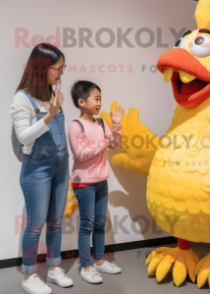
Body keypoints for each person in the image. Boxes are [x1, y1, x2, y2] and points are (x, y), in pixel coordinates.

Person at [10, 43, 73, 294]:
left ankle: (54, 267)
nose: (61, 73)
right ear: (41, 69)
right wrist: (50, 114)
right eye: (58, 68)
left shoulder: (52, 94)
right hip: (36, 168)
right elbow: (24, 137)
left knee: (56, 221)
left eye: (62, 68)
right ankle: (29, 275)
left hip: (60, 164)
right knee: (36, 224)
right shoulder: (22, 98)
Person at [68, 80, 123, 284]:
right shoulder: (76, 126)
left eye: (101, 99)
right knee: (87, 225)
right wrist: (103, 143)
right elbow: (80, 154)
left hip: (101, 182)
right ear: (81, 102)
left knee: (100, 224)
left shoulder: (101, 123)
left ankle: (99, 261)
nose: (100, 103)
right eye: (96, 99)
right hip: (84, 183)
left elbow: (116, 145)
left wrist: (116, 124)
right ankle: (86, 266)